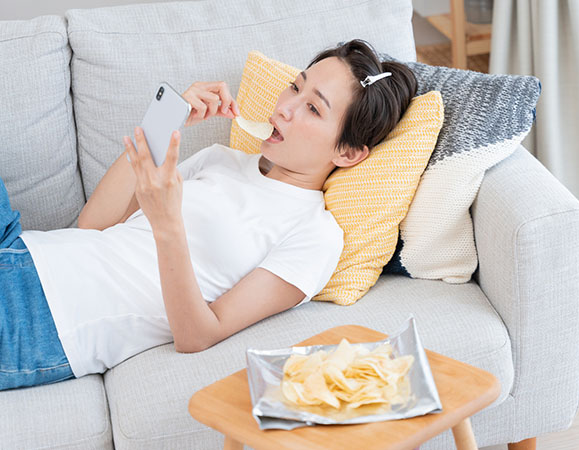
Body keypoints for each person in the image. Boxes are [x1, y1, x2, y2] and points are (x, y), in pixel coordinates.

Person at [0, 39, 417, 391]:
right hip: (24, 247)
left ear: (347, 152)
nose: (286, 108)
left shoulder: (315, 234)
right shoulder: (221, 159)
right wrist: (166, 118)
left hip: (41, 317)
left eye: (313, 109)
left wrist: (168, 227)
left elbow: (199, 333)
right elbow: (93, 225)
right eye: (294, 87)